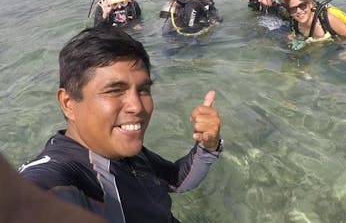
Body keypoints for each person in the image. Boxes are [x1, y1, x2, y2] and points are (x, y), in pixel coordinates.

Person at [19, 26, 223, 222]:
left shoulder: (126, 153)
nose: (137, 106)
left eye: (143, 89)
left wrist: (208, 145)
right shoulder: (62, 175)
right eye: (114, 90)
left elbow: (177, 180)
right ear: (68, 103)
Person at [284, 0, 346, 64]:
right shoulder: (295, 24)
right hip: (323, 45)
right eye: (293, 9)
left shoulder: (327, 19)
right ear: (290, 13)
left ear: (310, 4)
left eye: (302, 6)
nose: (298, 11)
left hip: (343, 40)